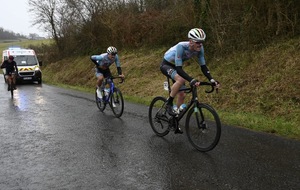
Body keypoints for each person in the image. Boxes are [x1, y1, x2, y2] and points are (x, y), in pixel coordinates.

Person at [160, 28, 220, 133]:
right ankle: (169, 103)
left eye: (202, 42)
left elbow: (203, 67)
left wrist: (212, 80)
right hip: (167, 65)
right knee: (181, 79)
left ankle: (174, 120)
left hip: (176, 66)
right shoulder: (181, 47)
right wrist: (191, 79)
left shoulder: (200, 49)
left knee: (182, 95)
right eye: (198, 42)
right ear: (191, 41)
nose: (200, 45)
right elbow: (179, 69)